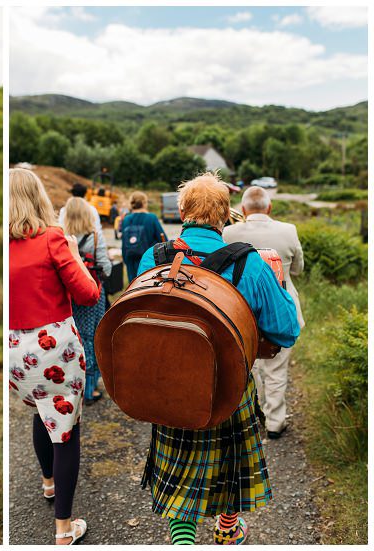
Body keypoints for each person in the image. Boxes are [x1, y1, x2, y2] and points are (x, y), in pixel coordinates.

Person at [135, 174, 299, 545]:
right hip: (230, 387)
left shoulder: (154, 257)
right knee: (229, 467)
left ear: (181, 211)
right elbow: (286, 331)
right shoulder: (250, 264)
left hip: (169, 386)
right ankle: (227, 529)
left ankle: (184, 542)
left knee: (181, 478)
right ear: (226, 215)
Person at [7, 168, 98, 544]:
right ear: (38, 197)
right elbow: (88, 295)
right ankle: (63, 528)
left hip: (15, 349)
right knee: (65, 431)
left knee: (40, 411)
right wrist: (75, 256)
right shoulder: (53, 238)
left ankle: (48, 484)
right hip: (54, 349)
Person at [222, 186, 303, 440]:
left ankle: (253, 414)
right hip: (282, 307)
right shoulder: (288, 230)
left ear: (243, 209)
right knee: (277, 369)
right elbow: (298, 268)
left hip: (244, 310)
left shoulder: (229, 232)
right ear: (269, 208)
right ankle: (275, 423)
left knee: (250, 364)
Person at [59, 197, 110, 403]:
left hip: (69, 295)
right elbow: (105, 268)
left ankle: (71, 387)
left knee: (72, 338)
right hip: (92, 295)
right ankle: (89, 390)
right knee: (90, 338)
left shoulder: (60, 238)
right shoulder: (96, 238)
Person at [116, 191, 167, 281]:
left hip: (131, 260)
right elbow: (163, 240)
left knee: (133, 287)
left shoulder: (126, 219)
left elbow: (124, 243)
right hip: (149, 261)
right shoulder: (152, 218)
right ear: (144, 203)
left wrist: (126, 260)